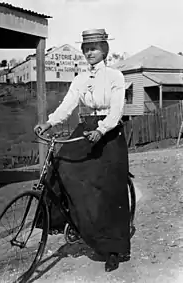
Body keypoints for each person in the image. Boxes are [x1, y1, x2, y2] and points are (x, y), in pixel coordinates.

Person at [34, 29, 130, 272]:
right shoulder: (79, 79)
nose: (90, 52)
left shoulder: (115, 76)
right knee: (62, 163)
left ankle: (112, 250)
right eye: (86, 48)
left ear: (105, 50)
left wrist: (102, 129)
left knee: (108, 188)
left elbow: (117, 109)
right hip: (85, 128)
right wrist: (49, 122)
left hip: (109, 132)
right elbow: (68, 105)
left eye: (95, 48)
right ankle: (70, 222)